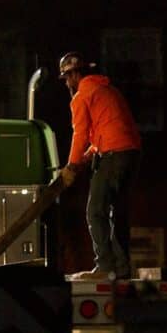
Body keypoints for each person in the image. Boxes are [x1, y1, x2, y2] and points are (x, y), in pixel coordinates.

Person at [58, 52, 141, 281]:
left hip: (113, 155)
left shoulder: (82, 96)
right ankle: (122, 268)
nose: (66, 83)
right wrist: (88, 154)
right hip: (131, 154)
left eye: (66, 77)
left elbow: (80, 133)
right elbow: (107, 129)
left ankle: (105, 266)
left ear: (75, 74)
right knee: (119, 212)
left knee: (95, 211)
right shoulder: (108, 90)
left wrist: (72, 166)